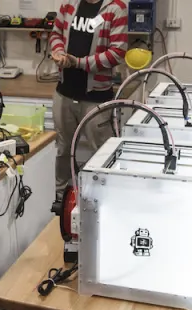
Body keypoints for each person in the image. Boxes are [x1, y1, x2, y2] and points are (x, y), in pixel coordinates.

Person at [49, 0, 128, 198]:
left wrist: (78, 63)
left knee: (101, 153)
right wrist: (58, 51)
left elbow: (117, 53)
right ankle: (61, 199)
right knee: (63, 150)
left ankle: (101, 200)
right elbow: (56, 34)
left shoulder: (115, 8)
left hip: (96, 98)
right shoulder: (69, 4)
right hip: (64, 93)